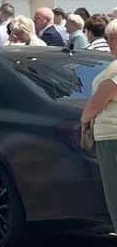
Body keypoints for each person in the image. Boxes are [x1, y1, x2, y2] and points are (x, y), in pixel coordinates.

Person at [82, 18, 117, 236]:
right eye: (108, 37)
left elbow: (100, 99)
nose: (111, 42)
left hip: (112, 136)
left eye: (116, 38)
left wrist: (84, 120)